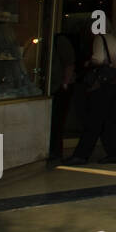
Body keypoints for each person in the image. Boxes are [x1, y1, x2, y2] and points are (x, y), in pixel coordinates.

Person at [65, 32, 116, 165]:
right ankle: (114, 153)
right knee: (109, 121)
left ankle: (81, 155)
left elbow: (98, 59)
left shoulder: (100, 39)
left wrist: (88, 63)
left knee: (94, 120)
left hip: (104, 85)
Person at [48, 32, 76, 162]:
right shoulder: (42, 39)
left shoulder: (60, 41)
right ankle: (53, 151)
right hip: (52, 86)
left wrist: (65, 82)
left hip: (59, 86)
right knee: (54, 121)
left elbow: (69, 63)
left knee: (57, 121)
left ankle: (55, 151)